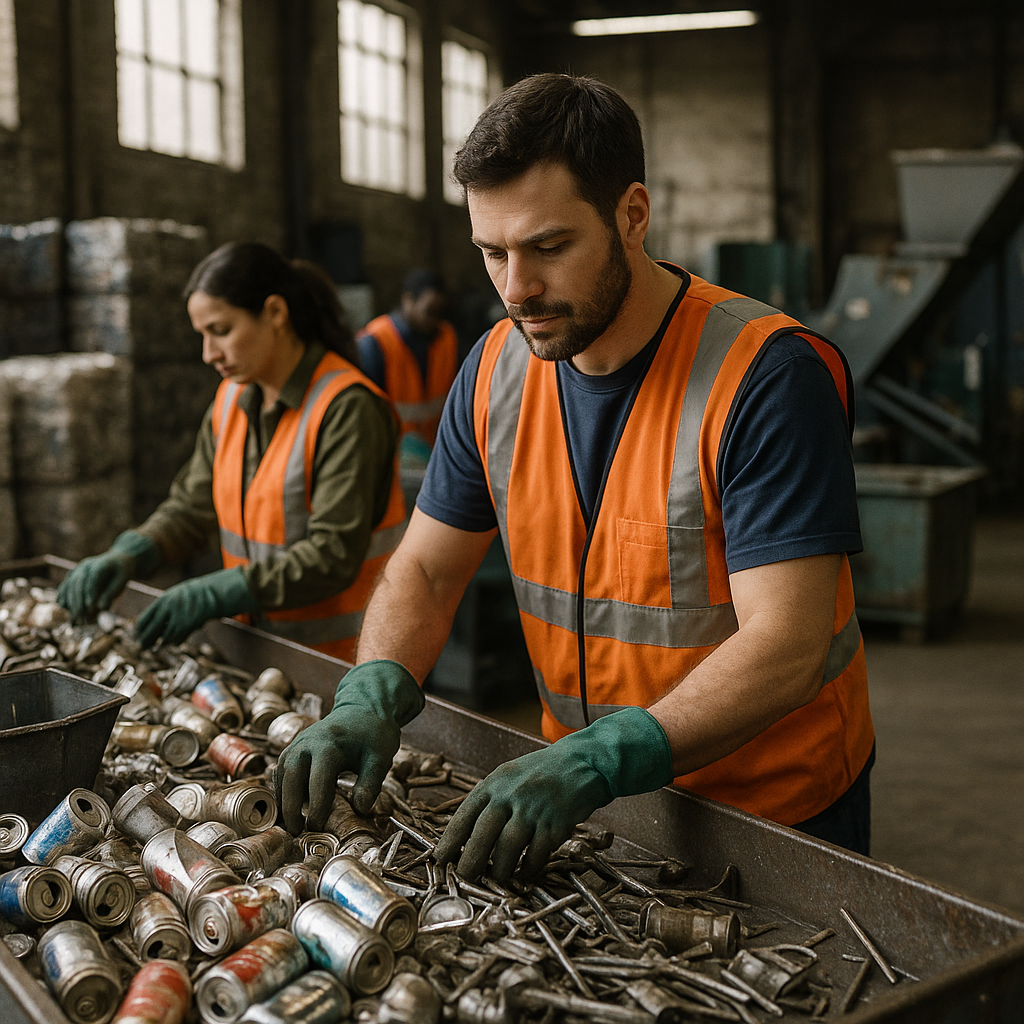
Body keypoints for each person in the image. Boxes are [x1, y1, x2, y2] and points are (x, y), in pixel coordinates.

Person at [275, 74, 875, 879]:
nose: (516, 289)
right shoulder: (495, 369)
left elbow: (789, 643)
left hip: (775, 814)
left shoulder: (763, 375)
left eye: (548, 248)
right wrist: (374, 683)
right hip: (592, 806)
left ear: (633, 215)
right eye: (494, 253)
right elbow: (424, 565)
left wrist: (602, 756)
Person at [58, 242, 405, 662]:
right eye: (202, 336)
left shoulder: (347, 408)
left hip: (342, 662)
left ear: (275, 314)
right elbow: (192, 506)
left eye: (221, 331)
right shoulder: (231, 400)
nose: (209, 354)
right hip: (260, 653)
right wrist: (131, 552)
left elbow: (331, 556)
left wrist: (220, 590)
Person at [356, 268, 458, 466]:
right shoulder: (374, 342)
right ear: (408, 300)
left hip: (435, 453)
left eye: (440, 312)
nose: (435, 320)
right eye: (429, 311)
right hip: (390, 459)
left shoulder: (446, 337)